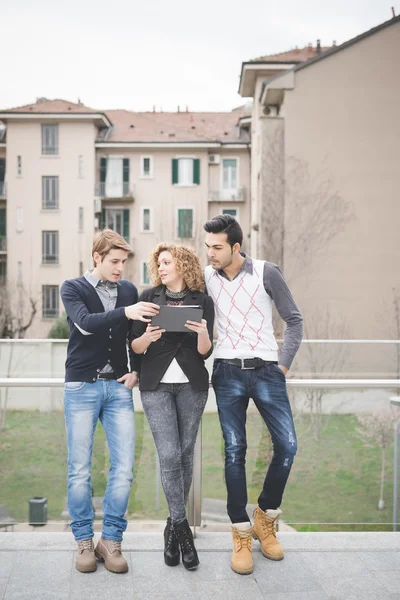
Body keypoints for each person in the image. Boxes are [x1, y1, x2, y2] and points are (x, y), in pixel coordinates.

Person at [203, 215, 303, 575]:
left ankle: (265, 517)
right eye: (208, 247)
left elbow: (294, 320)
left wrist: (283, 366)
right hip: (227, 372)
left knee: (288, 446)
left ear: (235, 247)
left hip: (267, 371)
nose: (210, 253)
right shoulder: (207, 277)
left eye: (217, 247)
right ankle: (241, 533)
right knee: (234, 451)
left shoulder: (266, 272)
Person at [61, 228, 159, 574]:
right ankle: (85, 542)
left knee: (124, 468)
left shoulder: (128, 291)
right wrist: (127, 312)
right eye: (114, 261)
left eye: (124, 262)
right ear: (97, 258)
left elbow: (135, 338)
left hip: (118, 388)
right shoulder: (72, 288)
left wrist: (137, 371)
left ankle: (112, 540)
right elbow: (86, 324)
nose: (120, 268)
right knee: (80, 470)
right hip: (81, 387)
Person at [130, 243, 214, 570]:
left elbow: (205, 352)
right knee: (168, 454)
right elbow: (134, 347)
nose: (161, 268)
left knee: (184, 453)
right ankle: (182, 530)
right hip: (155, 385)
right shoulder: (148, 298)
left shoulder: (202, 301)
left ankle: (171, 527)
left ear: (182, 264)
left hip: (192, 385)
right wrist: (147, 339)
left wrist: (204, 333)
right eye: (159, 263)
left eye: (167, 262)